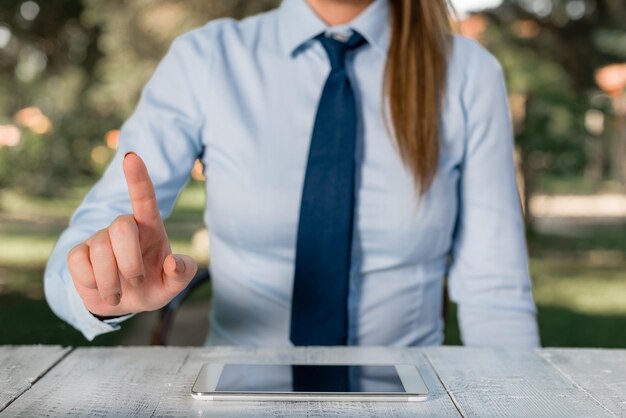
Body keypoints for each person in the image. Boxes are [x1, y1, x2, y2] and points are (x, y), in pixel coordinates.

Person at [45, 0, 540, 349]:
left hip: (413, 400)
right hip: (237, 399)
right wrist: (101, 282)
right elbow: (70, 263)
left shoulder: (468, 73)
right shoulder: (208, 58)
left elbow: (495, 295)